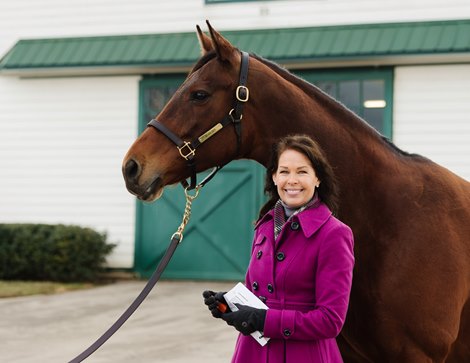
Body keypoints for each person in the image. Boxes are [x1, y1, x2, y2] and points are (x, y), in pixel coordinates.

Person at [203, 134, 355, 362]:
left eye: (302, 172)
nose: (291, 180)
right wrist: (229, 305)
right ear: (274, 177)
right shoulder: (264, 226)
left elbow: (330, 320)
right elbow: (258, 294)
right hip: (253, 353)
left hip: (304, 355)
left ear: (318, 179)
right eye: (284, 171)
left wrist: (263, 320)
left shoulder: (334, 234)